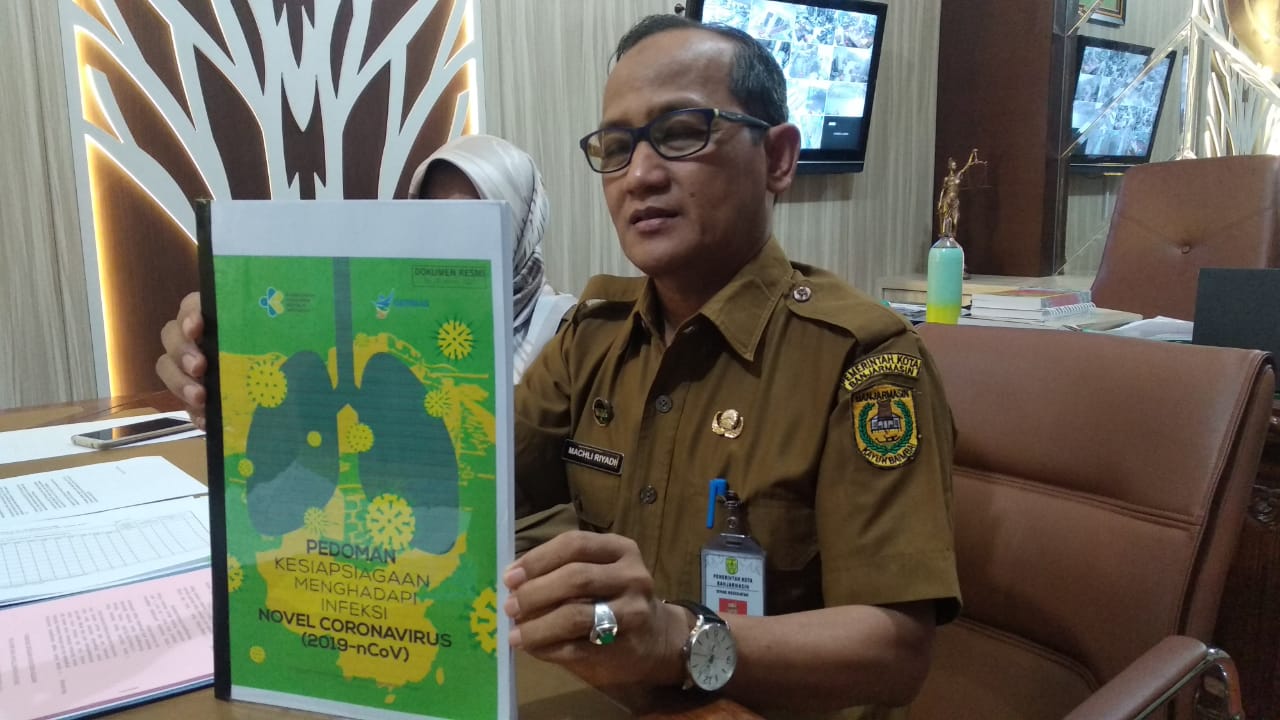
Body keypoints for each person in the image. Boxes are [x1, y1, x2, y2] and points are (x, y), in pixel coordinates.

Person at [506, 14, 958, 719]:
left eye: (682, 132)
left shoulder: (862, 360)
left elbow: (895, 650)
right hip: (614, 699)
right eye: (617, 148)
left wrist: (675, 639)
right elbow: (480, 489)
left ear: (777, 158)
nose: (640, 176)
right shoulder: (590, 338)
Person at [156, 134, 575, 428]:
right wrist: (228, 359)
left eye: (474, 224)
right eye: (433, 223)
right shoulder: (398, 323)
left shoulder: (569, 339)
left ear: (522, 227)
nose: (450, 247)